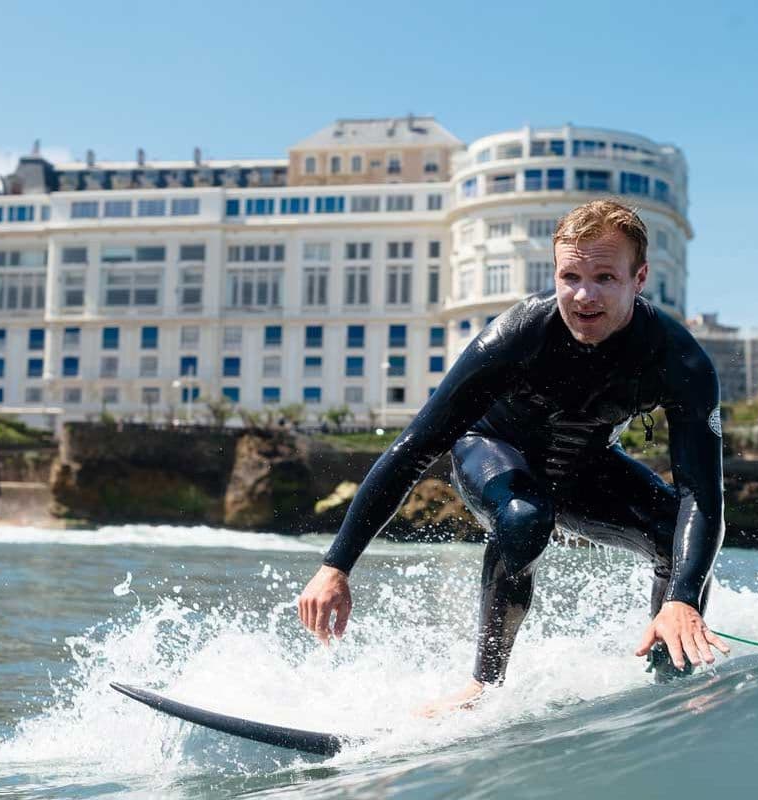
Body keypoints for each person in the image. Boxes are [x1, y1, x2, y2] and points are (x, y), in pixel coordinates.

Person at [297, 199, 730, 713]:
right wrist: (336, 566)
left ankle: (670, 670)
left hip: (585, 466)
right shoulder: (519, 334)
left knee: (670, 535)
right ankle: (482, 688)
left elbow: (701, 495)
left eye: (605, 278)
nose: (584, 296)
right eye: (570, 276)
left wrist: (683, 596)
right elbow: (413, 448)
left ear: (639, 279)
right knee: (525, 518)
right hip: (493, 452)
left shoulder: (679, 359)